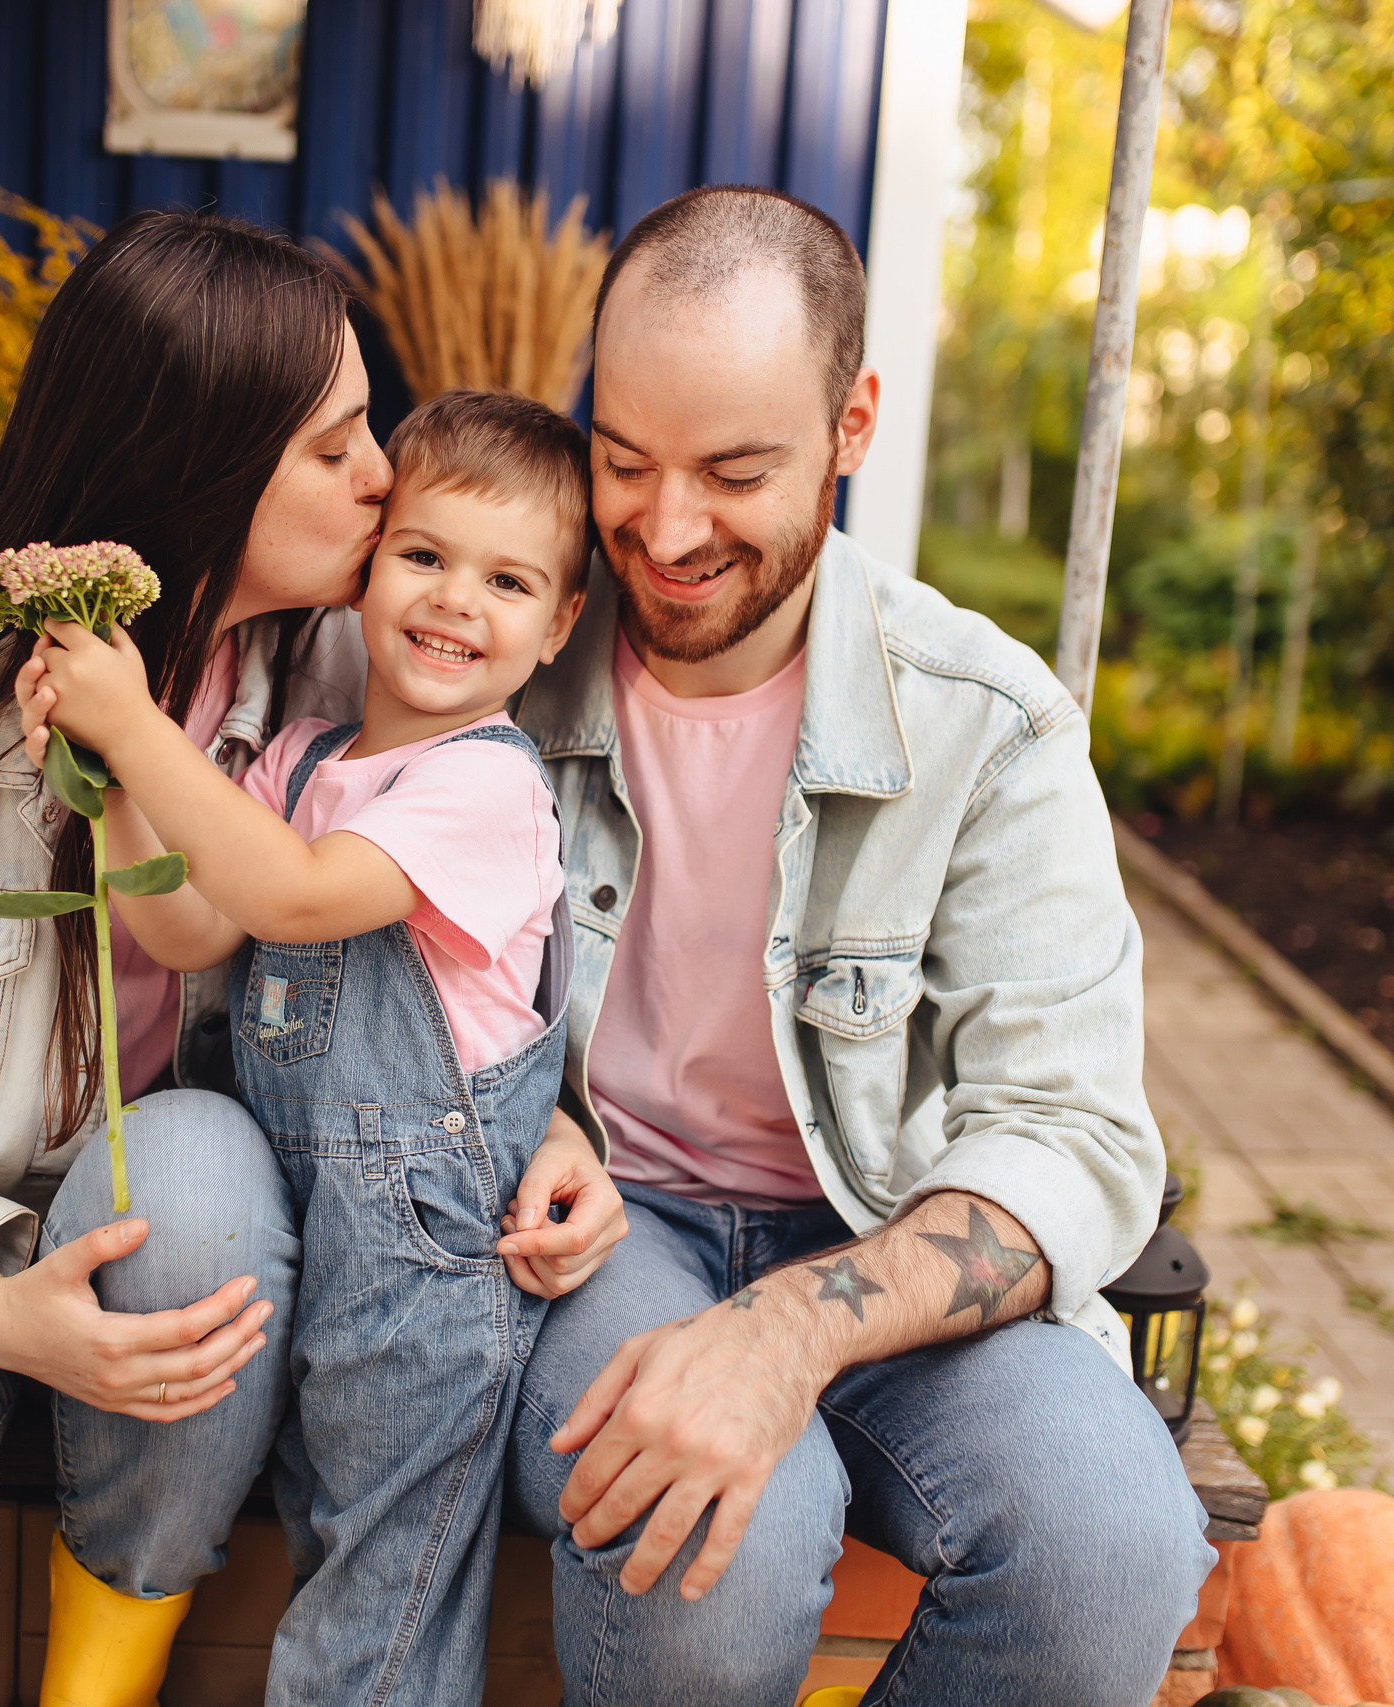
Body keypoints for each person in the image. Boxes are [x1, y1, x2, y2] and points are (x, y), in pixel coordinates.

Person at [0, 215, 618, 1707]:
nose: (386, 481)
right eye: (341, 445)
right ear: (205, 467)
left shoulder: (339, 678)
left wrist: (536, 1118)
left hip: (142, 1219)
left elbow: (447, 944)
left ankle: (96, 1670)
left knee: (207, 1174)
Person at [500, 186, 1216, 1706]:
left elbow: (1073, 1134)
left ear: (852, 425)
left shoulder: (990, 724)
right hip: (617, 1233)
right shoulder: (496, 661)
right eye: (623, 461)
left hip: (883, 1230)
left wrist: (787, 1332)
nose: (667, 528)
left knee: (1112, 1546)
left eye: (735, 471)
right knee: (709, 1539)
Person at [20, 389, 623, 1707]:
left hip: (424, 1267)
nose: (455, 602)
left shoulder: (488, 786)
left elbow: (295, 896)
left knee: (378, 1608)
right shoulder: (299, 758)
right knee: (321, 1545)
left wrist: (137, 728)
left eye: (508, 580)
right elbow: (188, 928)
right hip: (306, 1233)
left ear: (559, 623)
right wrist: (114, 780)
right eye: (423, 556)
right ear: (368, 569)